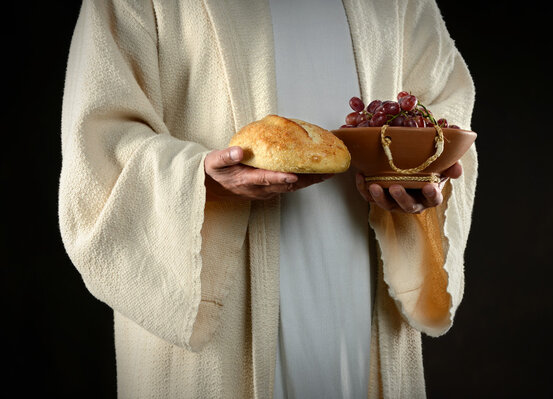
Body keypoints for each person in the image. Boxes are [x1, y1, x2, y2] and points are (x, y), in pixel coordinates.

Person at [58, 0, 477, 398]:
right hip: (218, 280)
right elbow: (99, 140)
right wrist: (197, 178)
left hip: (359, 267)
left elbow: (441, 98)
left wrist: (418, 171)